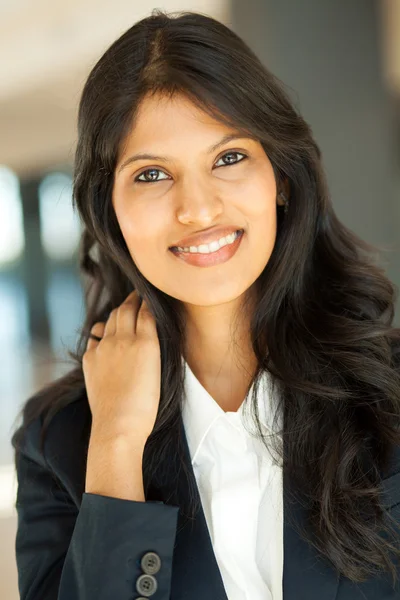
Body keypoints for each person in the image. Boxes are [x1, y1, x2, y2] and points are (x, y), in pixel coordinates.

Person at [11, 8, 400, 600]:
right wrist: (115, 445)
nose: (197, 208)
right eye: (151, 175)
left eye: (228, 158)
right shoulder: (59, 438)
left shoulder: (389, 390)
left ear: (282, 179)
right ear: (107, 209)